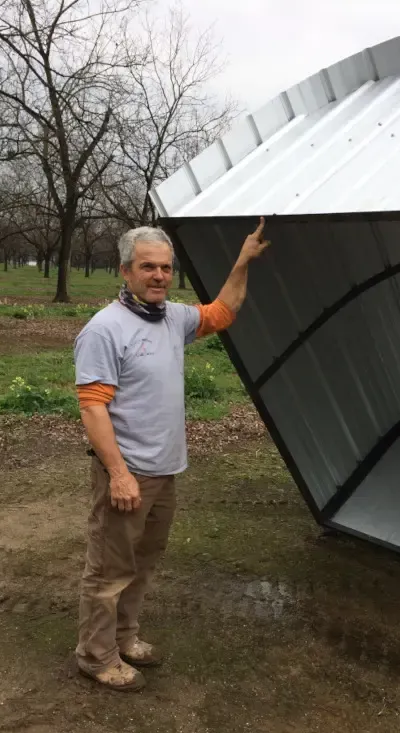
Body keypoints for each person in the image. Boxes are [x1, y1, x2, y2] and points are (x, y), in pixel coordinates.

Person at [73, 219, 271, 691]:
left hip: (165, 471)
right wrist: (118, 474)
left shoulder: (173, 318)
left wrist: (242, 261)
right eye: (148, 267)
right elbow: (93, 408)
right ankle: (95, 656)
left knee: (142, 561)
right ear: (125, 270)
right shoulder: (105, 330)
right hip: (128, 473)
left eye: (165, 267)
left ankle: (124, 637)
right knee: (108, 568)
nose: (159, 275)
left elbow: (224, 311)